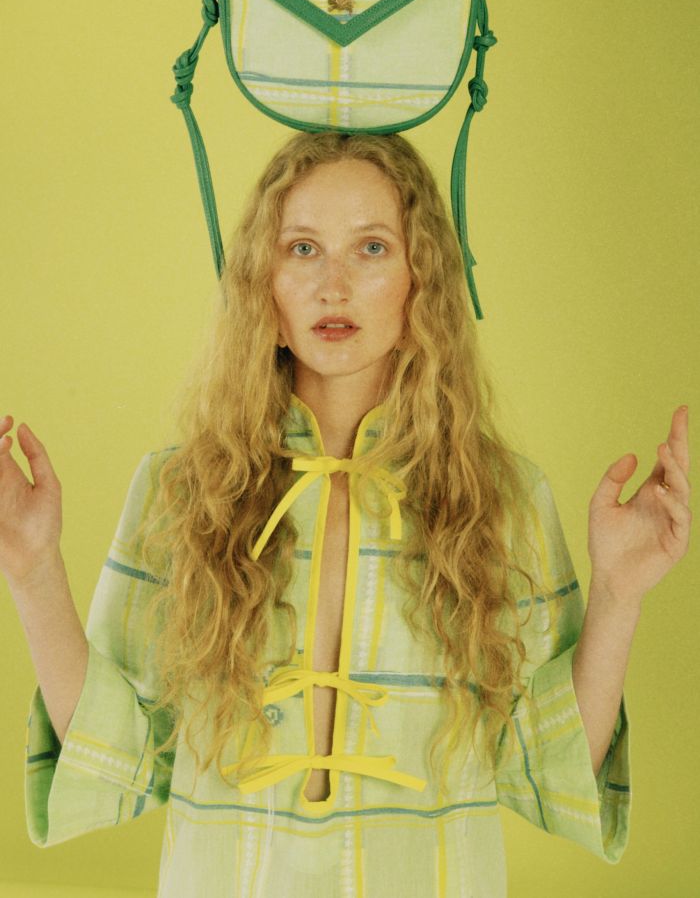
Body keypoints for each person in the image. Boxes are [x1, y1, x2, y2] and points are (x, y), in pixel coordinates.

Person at [1, 131, 691, 898]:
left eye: (371, 248)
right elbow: (123, 760)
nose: (334, 285)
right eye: (302, 249)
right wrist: (32, 571)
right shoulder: (181, 490)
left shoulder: (503, 498)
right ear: (263, 285)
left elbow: (545, 772)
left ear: (420, 282)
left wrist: (619, 593)